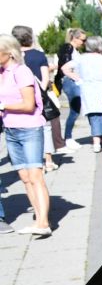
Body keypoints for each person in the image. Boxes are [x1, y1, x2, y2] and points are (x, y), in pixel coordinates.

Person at [0, 34, 53, 236]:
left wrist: (3, 105)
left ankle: (43, 222)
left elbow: (28, 104)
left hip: (29, 128)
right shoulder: (3, 72)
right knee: (24, 177)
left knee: (35, 175)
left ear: (9, 52)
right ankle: (39, 220)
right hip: (10, 128)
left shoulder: (21, 72)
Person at [13, 26, 59, 173]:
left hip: (18, 99)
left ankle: (32, 162)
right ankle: (49, 161)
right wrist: (40, 94)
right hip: (38, 97)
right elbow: (45, 80)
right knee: (44, 128)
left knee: (23, 130)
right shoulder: (39, 55)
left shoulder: (12, 57)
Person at [63, 36, 102, 151]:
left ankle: (96, 142)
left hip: (88, 89)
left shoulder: (81, 59)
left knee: (93, 116)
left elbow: (65, 68)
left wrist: (77, 78)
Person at [57, 28, 85, 145]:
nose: (83, 42)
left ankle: (68, 136)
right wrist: (77, 78)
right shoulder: (68, 48)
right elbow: (65, 67)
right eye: (82, 40)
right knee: (75, 109)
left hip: (72, 80)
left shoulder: (73, 49)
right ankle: (68, 137)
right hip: (70, 81)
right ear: (75, 38)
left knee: (75, 109)